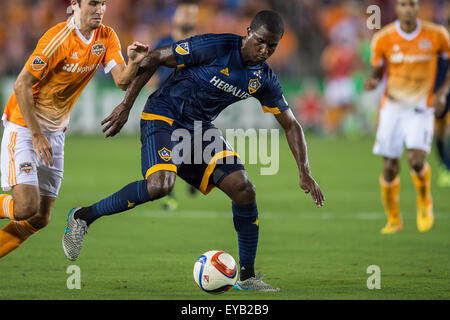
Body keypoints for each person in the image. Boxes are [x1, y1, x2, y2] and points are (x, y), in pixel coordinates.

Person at [63, 10, 325, 292]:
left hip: (200, 129)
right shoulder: (217, 46)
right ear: (248, 31)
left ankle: (247, 278)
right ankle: (82, 217)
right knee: (160, 185)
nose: (264, 50)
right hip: (163, 115)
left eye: (272, 46)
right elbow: (155, 57)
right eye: (260, 41)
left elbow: (291, 124)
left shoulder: (263, 79)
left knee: (244, 189)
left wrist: (305, 172)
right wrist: (126, 105)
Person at [0, 0, 149, 258]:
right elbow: (21, 85)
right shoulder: (57, 39)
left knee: (40, 218)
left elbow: (123, 81)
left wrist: (134, 63)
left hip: (56, 134)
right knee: (25, 207)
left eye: (103, 3)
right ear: (75, 5)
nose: (100, 9)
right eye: (93, 3)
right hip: (25, 127)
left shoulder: (106, 36)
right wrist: (36, 136)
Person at [364, 0, 450, 234]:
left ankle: (425, 201)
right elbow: (377, 72)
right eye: (403, 4)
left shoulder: (437, 35)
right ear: (398, 9)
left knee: (416, 160)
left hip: (421, 108)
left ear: (418, 8)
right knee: (390, 167)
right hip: (392, 109)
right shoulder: (383, 38)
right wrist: (372, 81)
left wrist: (442, 93)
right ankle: (394, 219)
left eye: (412, 4)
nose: (408, 8)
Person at [153, 0, 200, 211]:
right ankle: (168, 195)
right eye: (185, 14)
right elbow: (151, 71)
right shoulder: (163, 42)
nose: (188, 18)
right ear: (175, 18)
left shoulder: (201, 44)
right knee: (165, 151)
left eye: (192, 15)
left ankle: (194, 178)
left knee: (191, 151)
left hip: (192, 108)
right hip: (165, 108)